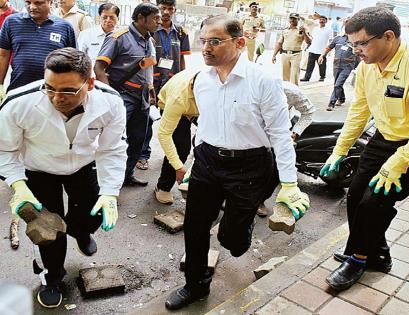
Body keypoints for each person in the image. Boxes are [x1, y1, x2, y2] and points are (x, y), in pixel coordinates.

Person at [163, 15, 309, 310]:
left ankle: (239, 230)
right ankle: (195, 284)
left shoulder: (263, 81)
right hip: (207, 162)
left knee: (233, 241)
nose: (206, 48)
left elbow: (280, 135)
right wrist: (193, 163)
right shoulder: (201, 79)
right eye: (203, 41)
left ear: (240, 42)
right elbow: (205, 125)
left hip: (250, 167)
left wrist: (289, 183)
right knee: (195, 226)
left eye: (215, 41)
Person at [0, 48, 127, 308]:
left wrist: (110, 191)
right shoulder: (18, 102)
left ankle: (81, 232)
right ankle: (51, 277)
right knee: (47, 232)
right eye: (50, 88)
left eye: (68, 90)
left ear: (90, 83)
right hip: (38, 170)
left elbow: (112, 149)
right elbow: (5, 149)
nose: (57, 98)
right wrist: (18, 185)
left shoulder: (111, 102)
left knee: (92, 212)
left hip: (83, 166)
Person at [320, 7, 409, 291]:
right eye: (352, 44)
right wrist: (339, 151)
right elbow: (359, 112)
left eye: (361, 43)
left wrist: (398, 163)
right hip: (384, 138)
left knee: (374, 202)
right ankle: (379, 253)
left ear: (389, 37)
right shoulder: (366, 67)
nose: (355, 51)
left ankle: (359, 259)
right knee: (354, 196)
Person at [95, 3, 161, 186]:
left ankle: (126, 176)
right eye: (155, 18)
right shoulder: (118, 37)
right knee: (113, 142)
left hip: (143, 99)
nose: (159, 22)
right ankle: (106, 183)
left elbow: (148, 67)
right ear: (141, 18)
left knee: (138, 139)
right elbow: (99, 68)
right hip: (122, 97)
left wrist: (151, 90)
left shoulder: (149, 40)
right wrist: (111, 97)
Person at [141, 0, 191, 204]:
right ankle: (143, 155)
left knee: (181, 140)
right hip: (155, 84)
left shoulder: (181, 33)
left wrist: (184, 79)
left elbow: (184, 60)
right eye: (163, 9)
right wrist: (149, 85)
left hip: (177, 86)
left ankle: (168, 182)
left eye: (170, 9)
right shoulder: (151, 30)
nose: (167, 12)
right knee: (147, 122)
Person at [256, 80, 316, 216]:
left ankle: (259, 200)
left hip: (279, 135)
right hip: (253, 135)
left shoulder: (291, 92)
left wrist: (295, 132)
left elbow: (309, 111)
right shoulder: (250, 89)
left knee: (274, 173)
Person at [0, 0, 76, 98]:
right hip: (18, 90)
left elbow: (72, 62)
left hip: (51, 94)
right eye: (28, 2)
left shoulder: (65, 27)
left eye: (38, 3)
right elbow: (3, 55)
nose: (32, 7)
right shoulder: (11, 22)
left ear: (51, 2)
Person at [318, 28, 358, 111]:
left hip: (347, 65)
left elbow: (359, 52)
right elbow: (328, 48)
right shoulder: (338, 38)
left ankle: (331, 103)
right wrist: (322, 56)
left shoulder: (356, 39)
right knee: (337, 83)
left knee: (338, 84)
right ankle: (342, 98)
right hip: (336, 64)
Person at [272, 13, 311, 85]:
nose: (292, 20)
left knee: (294, 74)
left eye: (295, 18)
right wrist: (274, 55)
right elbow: (279, 43)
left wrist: (304, 33)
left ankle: (295, 91)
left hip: (296, 55)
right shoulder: (285, 30)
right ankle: (286, 90)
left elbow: (309, 42)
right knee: (285, 75)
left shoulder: (302, 30)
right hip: (285, 54)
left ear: (298, 20)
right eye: (291, 18)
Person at [301, 15, 333, 82]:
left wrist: (329, 50)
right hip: (312, 50)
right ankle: (307, 77)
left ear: (326, 21)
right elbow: (312, 38)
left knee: (322, 66)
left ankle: (322, 76)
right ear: (319, 20)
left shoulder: (329, 30)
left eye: (323, 20)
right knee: (309, 65)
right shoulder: (315, 29)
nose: (321, 21)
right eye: (320, 19)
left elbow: (330, 41)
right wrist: (308, 46)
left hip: (322, 51)